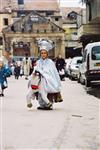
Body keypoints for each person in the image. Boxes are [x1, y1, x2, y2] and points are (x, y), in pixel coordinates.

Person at [27, 39, 62, 110]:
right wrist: (34, 73)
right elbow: (35, 69)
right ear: (40, 54)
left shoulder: (50, 62)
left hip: (48, 80)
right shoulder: (38, 61)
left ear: (47, 54)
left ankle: (49, 104)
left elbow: (52, 72)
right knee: (39, 91)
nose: (43, 54)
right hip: (39, 80)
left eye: (44, 53)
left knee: (48, 91)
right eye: (42, 53)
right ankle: (42, 104)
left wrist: (42, 72)